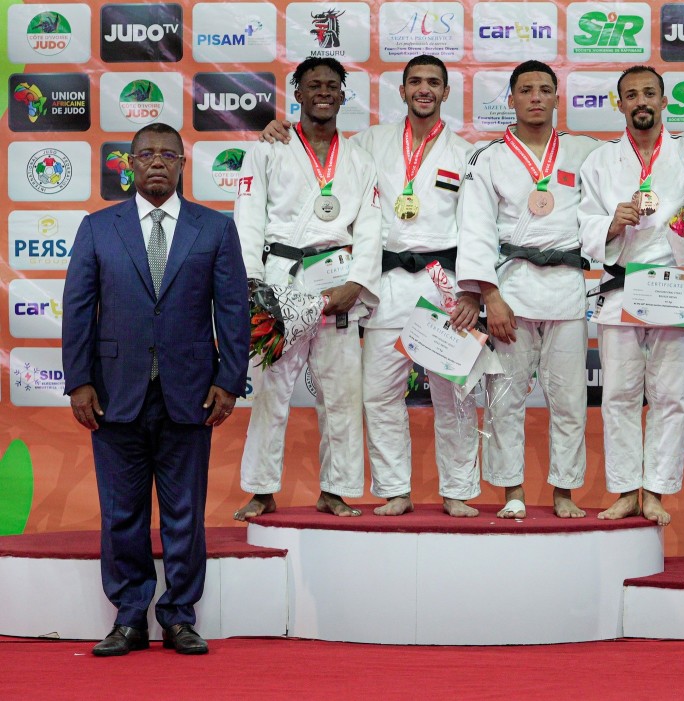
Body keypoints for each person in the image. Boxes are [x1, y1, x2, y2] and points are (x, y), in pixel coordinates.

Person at [257, 55, 481, 517]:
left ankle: (457, 489)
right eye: (415, 81)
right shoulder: (369, 144)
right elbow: (323, 152)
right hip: (386, 284)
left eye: (433, 82)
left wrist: (472, 291)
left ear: (446, 92)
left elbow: (478, 228)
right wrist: (278, 130)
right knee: (379, 393)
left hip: (443, 284)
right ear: (402, 91)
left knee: (454, 395)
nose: (424, 89)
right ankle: (395, 488)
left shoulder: (466, 154)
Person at [62, 123, 250, 656]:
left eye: (169, 154)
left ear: (183, 164)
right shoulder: (98, 228)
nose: (158, 162)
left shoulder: (215, 229)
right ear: (131, 164)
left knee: (184, 513)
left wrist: (228, 381)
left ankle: (179, 616)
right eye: (146, 154)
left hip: (191, 394)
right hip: (113, 394)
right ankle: (129, 618)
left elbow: (232, 310)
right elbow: (78, 309)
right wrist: (79, 381)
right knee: (121, 513)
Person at [233, 57, 382, 520]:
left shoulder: (359, 159)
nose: (323, 92)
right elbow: (248, 217)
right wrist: (252, 283)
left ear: (342, 95)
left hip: (337, 280)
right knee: (270, 391)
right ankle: (261, 489)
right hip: (280, 280)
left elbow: (371, 227)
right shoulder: (268, 149)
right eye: (313, 85)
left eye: (332, 86)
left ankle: (336, 489)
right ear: (297, 93)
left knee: (341, 392)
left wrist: (357, 282)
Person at [579, 66, 684, 526]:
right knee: (618, 396)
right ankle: (627, 491)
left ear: (664, 102)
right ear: (619, 104)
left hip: (675, 287)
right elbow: (582, 221)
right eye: (631, 95)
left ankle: (657, 491)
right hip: (622, 286)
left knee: (670, 396)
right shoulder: (600, 161)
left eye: (649, 93)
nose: (640, 101)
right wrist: (609, 224)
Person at [457, 60, 600, 519]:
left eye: (543, 89)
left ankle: (564, 491)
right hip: (512, 291)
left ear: (557, 97)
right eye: (525, 90)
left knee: (570, 400)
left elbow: (629, 169)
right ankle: (512, 491)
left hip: (566, 290)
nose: (535, 97)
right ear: (512, 99)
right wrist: (490, 296)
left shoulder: (584, 152)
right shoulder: (488, 157)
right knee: (505, 399)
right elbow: (475, 229)